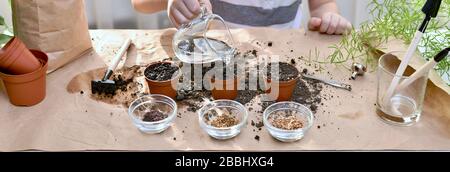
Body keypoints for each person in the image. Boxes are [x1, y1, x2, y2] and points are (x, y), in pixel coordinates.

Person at [132, 0, 352, 35]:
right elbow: (140, 4)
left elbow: (322, 5)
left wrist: (329, 18)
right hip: (215, 65)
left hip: (280, 64)